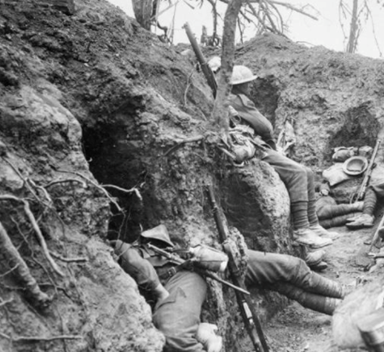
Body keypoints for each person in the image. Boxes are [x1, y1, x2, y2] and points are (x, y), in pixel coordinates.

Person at [113, 224, 347, 352]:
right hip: (186, 278)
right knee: (176, 335)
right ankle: (349, 309)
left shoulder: (130, 244)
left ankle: (346, 296)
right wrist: (160, 292)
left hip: (206, 258)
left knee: (289, 268)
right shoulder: (115, 250)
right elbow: (134, 262)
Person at [227, 65, 335, 249]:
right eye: (247, 83)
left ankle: (313, 225)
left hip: (251, 144)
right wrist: (272, 146)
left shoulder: (230, 99)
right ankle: (302, 229)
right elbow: (265, 127)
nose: (250, 87)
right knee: (298, 173)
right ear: (239, 86)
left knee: (308, 172)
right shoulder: (239, 99)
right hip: (253, 146)